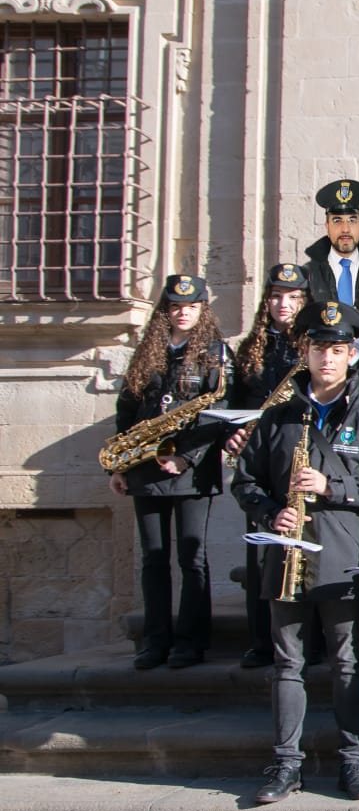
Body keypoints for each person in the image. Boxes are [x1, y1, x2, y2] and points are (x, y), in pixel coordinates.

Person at [232, 300, 359, 804]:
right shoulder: (279, 416)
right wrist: (268, 514)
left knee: (347, 661)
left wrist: (333, 486)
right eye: (320, 348)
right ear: (305, 351)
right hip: (286, 552)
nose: (329, 358)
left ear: (352, 356)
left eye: (339, 350)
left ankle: (352, 762)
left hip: (341, 552)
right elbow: (245, 483)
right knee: (288, 662)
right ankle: (286, 765)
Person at [110, 273, 231, 670]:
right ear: (166, 311)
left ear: (202, 310)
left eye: (191, 307)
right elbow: (127, 413)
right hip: (145, 469)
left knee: (191, 557)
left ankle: (191, 642)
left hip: (191, 471)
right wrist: (120, 466)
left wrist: (186, 458)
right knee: (153, 558)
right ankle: (155, 640)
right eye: (177, 307)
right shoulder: (148, 351)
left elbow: (217, 414)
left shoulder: (215, 353)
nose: (183, 313)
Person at [226, 264, 312, 669]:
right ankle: (262, 641)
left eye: (294, 298)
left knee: (303, 545)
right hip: (257, 452)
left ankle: (306, 640)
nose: (284, 305)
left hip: (298, 448)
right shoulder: (251, 348)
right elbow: (235, 402)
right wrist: (232, 431)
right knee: (259, 551)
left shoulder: (311, 345)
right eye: (277, 296)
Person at [303, 179, 359, 307]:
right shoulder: (310, 274)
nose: (345, 229)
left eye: (352, 220)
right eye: (337, 221)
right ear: (327, 226)